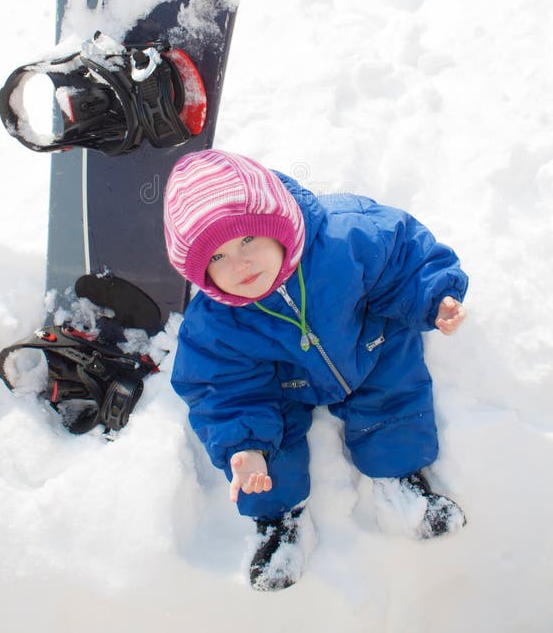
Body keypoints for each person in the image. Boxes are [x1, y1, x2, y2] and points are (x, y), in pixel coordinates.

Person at [163, 149, 468, 591]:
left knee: (394, 386)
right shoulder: (215, 322)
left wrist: (434, 295)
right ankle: (280, 523)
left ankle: (400, 483)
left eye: (248, 240)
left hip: (366, 343)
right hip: (290, 379)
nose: (240, 265)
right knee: (264, 454)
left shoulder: (344, 237)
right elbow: (221, 388)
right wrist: (245, 445)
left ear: (276, 224)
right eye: (217, 257)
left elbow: (403, 257)